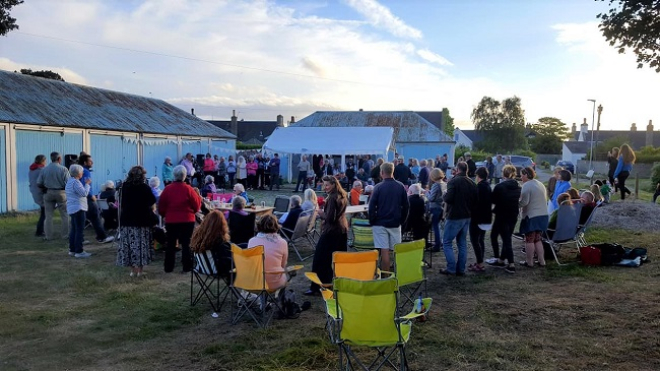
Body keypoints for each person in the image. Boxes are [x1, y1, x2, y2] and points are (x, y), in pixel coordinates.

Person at [306, 176, 348, 296]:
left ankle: (317, 287)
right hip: (341, 231)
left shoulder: (333, 197)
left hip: (332, 232)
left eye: (327, 185)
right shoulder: (342, 195)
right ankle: (331, 284)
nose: (325, 187)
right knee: (336, 260)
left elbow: (330, 218)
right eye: (324, 185)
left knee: (320, 260)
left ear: (334, 184)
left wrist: (319, 212)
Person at [158, 165, 202, 273]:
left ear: (174, 175)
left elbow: (161, 206)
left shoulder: (167, 189)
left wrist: (165, 215)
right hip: (187, 220)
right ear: (185, 175)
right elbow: (197, 206)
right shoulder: (189, 189)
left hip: (172, 220)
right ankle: (187, 267)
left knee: (171, 244)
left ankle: (168, 267)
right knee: (187, 244)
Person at [369, 162, 409, 271]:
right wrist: (402, 220)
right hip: (395, 222)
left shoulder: (378, 187)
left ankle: (386, 276)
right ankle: (398, 274)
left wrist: (372, 221)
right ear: (393, 171)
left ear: (382, 173)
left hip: (380, 222)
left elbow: (371, 206)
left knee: (384, 250)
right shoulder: (400, 186)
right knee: (396, 250)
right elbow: (406, 206)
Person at [118, 166, 157, 276]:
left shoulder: (125, 186)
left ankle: (132, 270)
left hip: (127, 220)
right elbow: (152, 201)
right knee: (141, 246)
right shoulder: (145, 187)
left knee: (129, 246)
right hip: (142, 220)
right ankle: (140, 270)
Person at [440, 162, 477, 276]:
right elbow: (475, 200)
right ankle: (460, 269)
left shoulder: (454, 181)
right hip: (467, 216)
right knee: (462, 243)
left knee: (447, 242)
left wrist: (445, 194)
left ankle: (451, 268)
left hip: (455, 216)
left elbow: (448, 199)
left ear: (457, 169)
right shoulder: (472, 183)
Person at [488, 165, 521, 274]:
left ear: (503, 174)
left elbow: (493, 200)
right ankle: (501, 259)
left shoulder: (500, 186)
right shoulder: (517, 186)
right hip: (513, 215)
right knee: (504, 237)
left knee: (503, 239)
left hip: (501, 215)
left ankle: (511, 264)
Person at [78, 154, 114, 244]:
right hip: (87, 198)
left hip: (80, 198)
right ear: (85, 162)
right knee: (95, 217)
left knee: (81, 219)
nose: (92, 162)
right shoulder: (85, 171)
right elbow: (84, 185)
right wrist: (91, 196)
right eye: (90, 161)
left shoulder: (78, 171)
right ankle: (102, 237)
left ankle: (79, 239)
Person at [248, 214, 289, 290]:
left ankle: (261, 299)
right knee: (285, 273)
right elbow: (283, 265)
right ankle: (279, 299)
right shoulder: (282, 242)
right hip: (275, 282)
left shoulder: (252, 241)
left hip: (254, 283)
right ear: (276, 226)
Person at [518, 167, 549, 268]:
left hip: (531, 216)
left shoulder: (527, 186)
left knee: (529, 239)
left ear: (526, 175)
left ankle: (529, 262)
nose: (521, 177)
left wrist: (514, 204)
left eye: (522, 174)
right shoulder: (540, 184)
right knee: (538, 239)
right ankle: (542, 261)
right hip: (543, 215)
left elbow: (524, 202)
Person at [37, 152, 70, 241]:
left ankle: (48, 236)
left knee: (48, 216)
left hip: (48, 192)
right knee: (64, 215)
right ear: (59, 159)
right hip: (61, 192)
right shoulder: (63, 169)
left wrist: (45, 189)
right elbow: (69, 183)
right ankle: (65, 235)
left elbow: (39, 183)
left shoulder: (44, 169)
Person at [190, 210, 232, 280]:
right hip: (217, 270)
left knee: (242, 246)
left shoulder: (198, 236)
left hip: (201, 267)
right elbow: (225, 261)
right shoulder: (218, 241)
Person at [468, 167, 492, 273]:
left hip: (478, 218)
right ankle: (479, 261)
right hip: (486, 217)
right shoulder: (488, 186)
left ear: (478, 176)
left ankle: (480, 264)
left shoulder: (480, 187)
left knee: (475, 241)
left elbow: (476, 203)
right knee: (481, 240)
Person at [65, 165, 91, 258]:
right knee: (79, 230)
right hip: (79, 208)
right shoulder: (76, 182)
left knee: (74, 230)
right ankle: (79, 251)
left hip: (72, 208)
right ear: (78, 173)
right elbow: (84, 193)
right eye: (81, 172)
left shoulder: (69, 182)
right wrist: (87, 184)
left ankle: (72, 249)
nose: (82, 173)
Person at [427, 168, 445, 252]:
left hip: (435, 207)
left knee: (435, 227)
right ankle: (439, 242)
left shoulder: (436, 185)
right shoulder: (444, 184)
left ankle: (437, 244)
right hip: (441, 207)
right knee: (438, 226)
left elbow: (431, 198)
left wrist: (427, 193)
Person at [29, 154, 47, 237]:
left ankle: (40, 230)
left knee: (44, 211)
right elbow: (43, 182)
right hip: (41, 193)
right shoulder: (41, 170)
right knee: (44, 213)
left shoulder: (32, 170)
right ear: (42, 161)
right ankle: (40, 231)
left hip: (34, 192)